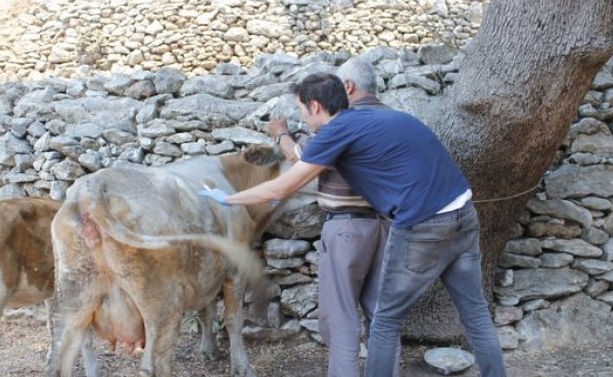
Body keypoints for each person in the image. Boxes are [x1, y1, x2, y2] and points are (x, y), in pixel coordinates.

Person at [199, 73, 506, 377]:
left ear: (316, 106)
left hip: (422, 225)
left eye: (302, 110)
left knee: (385, 320)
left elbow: (282, 188)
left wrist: (229, 199)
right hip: (463, 211)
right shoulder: (381, 118)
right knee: (475, 313)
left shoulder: (336, 132)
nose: (302, 118)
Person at [266, 58, 397, 377]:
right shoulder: (394, 120)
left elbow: (303, 161)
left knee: (341, 323)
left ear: (348, 87)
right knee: (382, 316)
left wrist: (281, 134)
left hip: (348, 229)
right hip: (387, 227)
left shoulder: (343, 125)